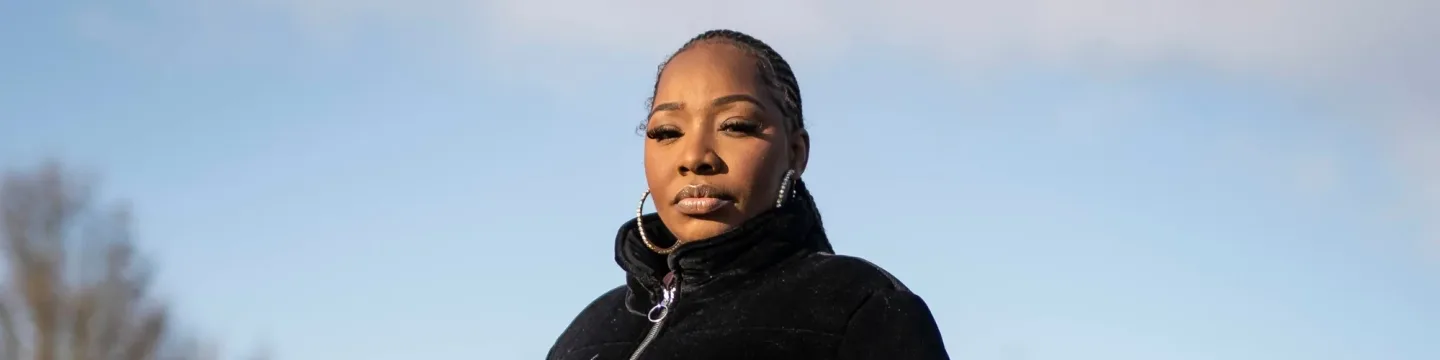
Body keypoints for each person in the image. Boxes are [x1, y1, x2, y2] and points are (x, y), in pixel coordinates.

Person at [546, 29, 950, 360]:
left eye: (735, 125)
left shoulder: (864, 309)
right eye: (667, 132)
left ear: (796, 152)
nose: (695, 157)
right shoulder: (588, 331)